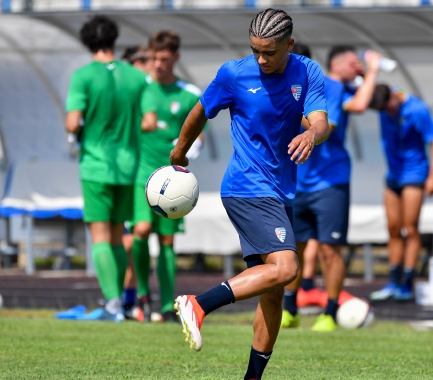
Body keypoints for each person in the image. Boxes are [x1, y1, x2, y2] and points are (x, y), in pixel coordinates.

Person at [169, 9, 329, 379]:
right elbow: (200, 111)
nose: (261, 58)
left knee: (274, 292)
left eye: (269, 52)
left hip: (279, 192)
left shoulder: (307, 71)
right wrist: (180, 150)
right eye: (255, 50)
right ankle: (197, 304)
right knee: (287, 269)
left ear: (288, 44)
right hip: (246, 187)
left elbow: (320, 121)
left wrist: (311, 134)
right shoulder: (233, 74)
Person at [281, 45, 380, 331]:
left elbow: (325, 130)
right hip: (297, 180)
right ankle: (290, 308)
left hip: (330, 181)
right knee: (293, 249)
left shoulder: (330, 86)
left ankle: (331, 313)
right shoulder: (285, 87)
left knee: (329, 249)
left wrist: (290, 107)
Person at [65, 15, 147, 321]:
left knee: (99, 237)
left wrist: (78, 129)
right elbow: (148, 120)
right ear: (114, 40)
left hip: (96, 166)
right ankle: (121, 305)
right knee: (117, 236)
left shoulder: (83, 76)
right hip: (128, 166)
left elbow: (73, 122)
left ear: (88, 42)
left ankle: (112, 304)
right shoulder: (136, 77)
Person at [130, 31, 205, 323]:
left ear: (175, 57)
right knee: (139, 232)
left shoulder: (189, 93)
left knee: (167, 242)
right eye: (153, 58)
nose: (158, 64)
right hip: (141, 174)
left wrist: (190, 148)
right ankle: (141, 295)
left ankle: (166, 305)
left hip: (173, 181)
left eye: (163, 58)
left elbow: (199, 134)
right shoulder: (140, 89)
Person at [368, 84, 433, 302]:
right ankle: (393, 281)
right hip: (393, 176)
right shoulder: (382, 102)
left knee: (410, 229)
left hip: (415, 175)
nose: (389, 111)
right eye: (384, 110)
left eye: (389, 107)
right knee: (393, 228)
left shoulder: (417, 110)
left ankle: (407, 283)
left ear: (394, 96)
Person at [119, 44, 153, 322]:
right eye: (141, 60)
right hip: (122, 178)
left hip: (147, 178)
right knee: (126, 243)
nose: (147, 64)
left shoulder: (150, 92)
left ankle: (132, 301)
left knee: (135, 240)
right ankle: (127, 301)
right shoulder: (123, 95)